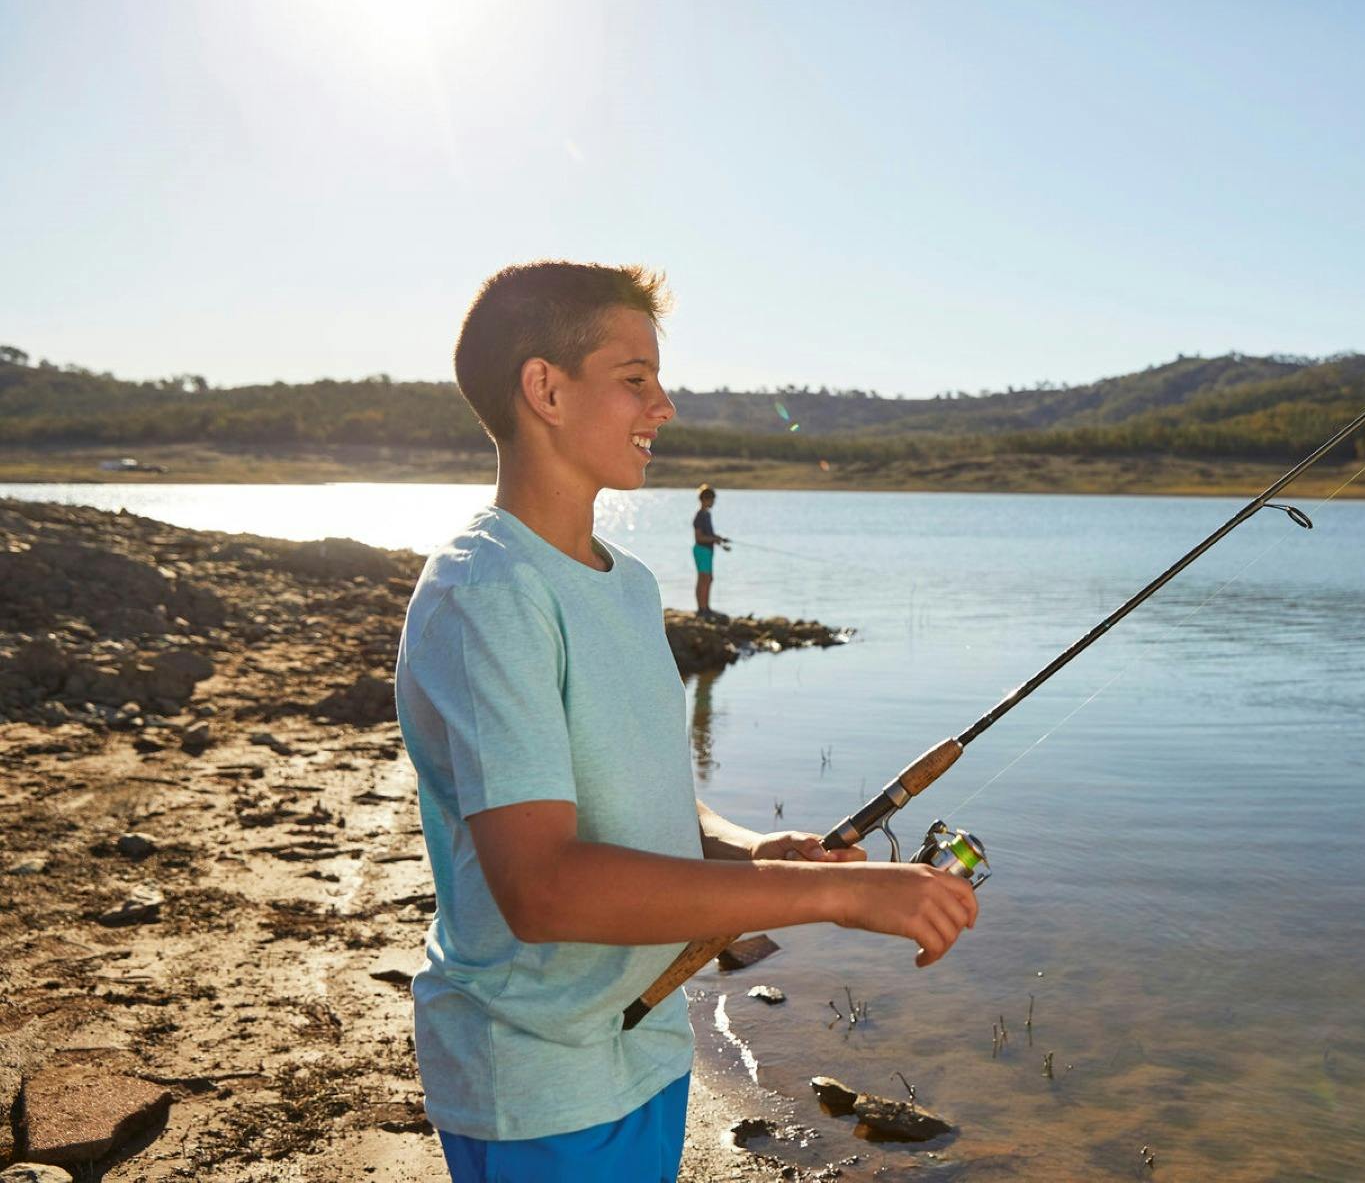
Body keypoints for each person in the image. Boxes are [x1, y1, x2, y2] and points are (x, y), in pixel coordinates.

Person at [394, 261, 978, 1183]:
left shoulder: (627, 586)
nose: (663, 407)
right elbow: (542, 890)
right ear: (545, 389)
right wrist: (839, 896)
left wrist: (752, 852)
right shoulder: (488, 593)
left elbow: (641, 794)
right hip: (539, 1083)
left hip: (647, 1050)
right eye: (635, 379)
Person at [692, 484, 730, 619]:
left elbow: (708, 535)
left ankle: (706, 607)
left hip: (707, 550)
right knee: (704, 579)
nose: (713, 502)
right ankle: (702, 609)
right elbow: (699, 537)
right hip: (702, 550)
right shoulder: (699, 516)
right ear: (704, 499)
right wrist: (715, 539)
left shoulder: (707, 515)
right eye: (712, 499)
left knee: (708, 579)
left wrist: (719, 540)